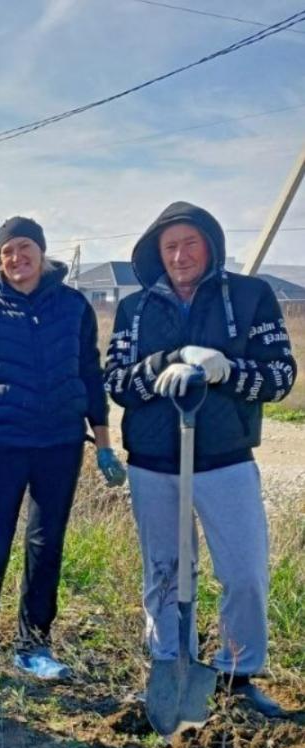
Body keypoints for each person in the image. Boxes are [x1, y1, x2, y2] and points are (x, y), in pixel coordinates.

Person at [104, 201, 297, 718]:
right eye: (170, 247)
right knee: (165, 570)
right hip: (152, 460)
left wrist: (223, 369)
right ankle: (170, 663)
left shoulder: (251, 297)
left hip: (225, 458)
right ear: (156, 254)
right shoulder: (134, 309)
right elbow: (117, 384)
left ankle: (239, 672)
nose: (180, 255)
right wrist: (168, 360)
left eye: (191, 243)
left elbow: (279, 378)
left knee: (244, 573)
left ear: (210, 246)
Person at [0, 216, 126, 699]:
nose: (16, 258)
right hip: (0, 447)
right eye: (7, 251)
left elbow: (90, 377)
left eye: (25, 248)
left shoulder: (73, 307)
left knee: (46, 547)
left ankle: (34, 645)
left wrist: (104, 444)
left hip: (60, 446)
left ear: (42, 252)